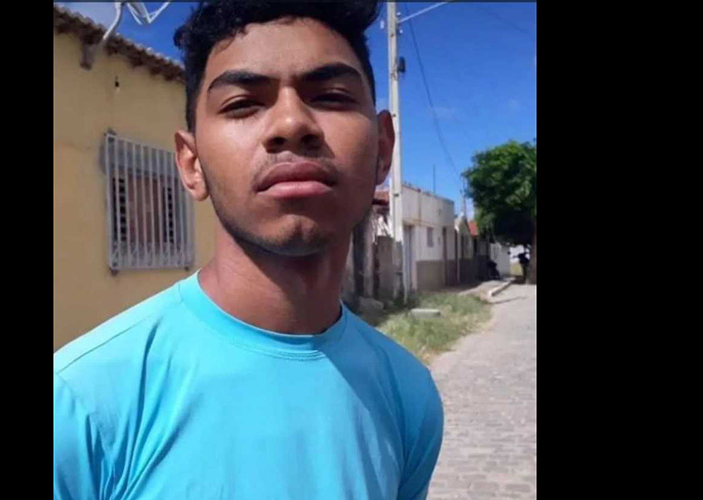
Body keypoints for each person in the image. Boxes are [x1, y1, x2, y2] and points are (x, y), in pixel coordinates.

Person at [54, 2, 444, 499]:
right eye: (242, 104)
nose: (292, 123)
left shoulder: (409, 396)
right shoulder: (80, 404)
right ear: (191, 164)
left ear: (384, 149)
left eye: (330, 96)